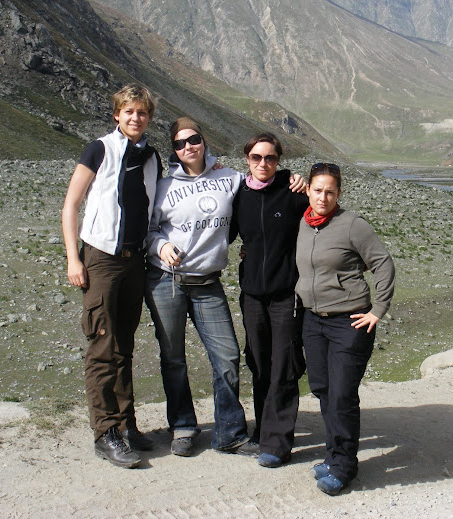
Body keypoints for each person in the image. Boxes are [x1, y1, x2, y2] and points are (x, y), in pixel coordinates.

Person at [144, 118, 305, 457]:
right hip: (167, 281)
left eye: (195, 139)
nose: (188, 146)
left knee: (228, 357)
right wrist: (160, 246)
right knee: (174, 358)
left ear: (205, 141)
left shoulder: (229, 179)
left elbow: (262, 181)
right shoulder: (162, 186)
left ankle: (229, 431)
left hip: (208, 283)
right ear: (172, 149)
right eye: (179, 143)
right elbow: (148, 229)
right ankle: (184, 426)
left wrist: (295, 178)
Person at [61, 84, 162, 468]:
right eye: (129, 111)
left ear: (149, 117)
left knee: (124, 346)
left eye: (142, 112)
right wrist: (74, 258)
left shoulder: (152, 158)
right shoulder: (99, 149)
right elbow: (71, 204)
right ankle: (105, 434)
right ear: (117, 114)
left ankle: (127, 424)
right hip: (101, 258)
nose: (135, 118)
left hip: (135, 260)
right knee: (102, 347)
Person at [295, 163, 395, 495]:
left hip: (349, 322)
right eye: (318, 190)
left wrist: (377, 310)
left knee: (341, 395)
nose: (323, 197)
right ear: (307, 188)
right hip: (313, 320)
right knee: (323, 389)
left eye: (330, 192)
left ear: (339, 194)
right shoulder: (303, 221)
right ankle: (334, 454)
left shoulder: (352, 225)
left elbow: (383, 263)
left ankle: (343, 467)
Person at [229, 133, 308, 468]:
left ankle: (278, 443)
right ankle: (263, 431)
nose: (263, 164)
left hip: (286, 294)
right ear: (247, 159)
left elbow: (321, 219)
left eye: (271, 158)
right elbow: (221, 231)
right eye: (257, 157)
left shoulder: (292, 193)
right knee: (259, 363)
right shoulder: (238, 195)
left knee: (284, 367)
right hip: (252, 295)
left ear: (279, 160)